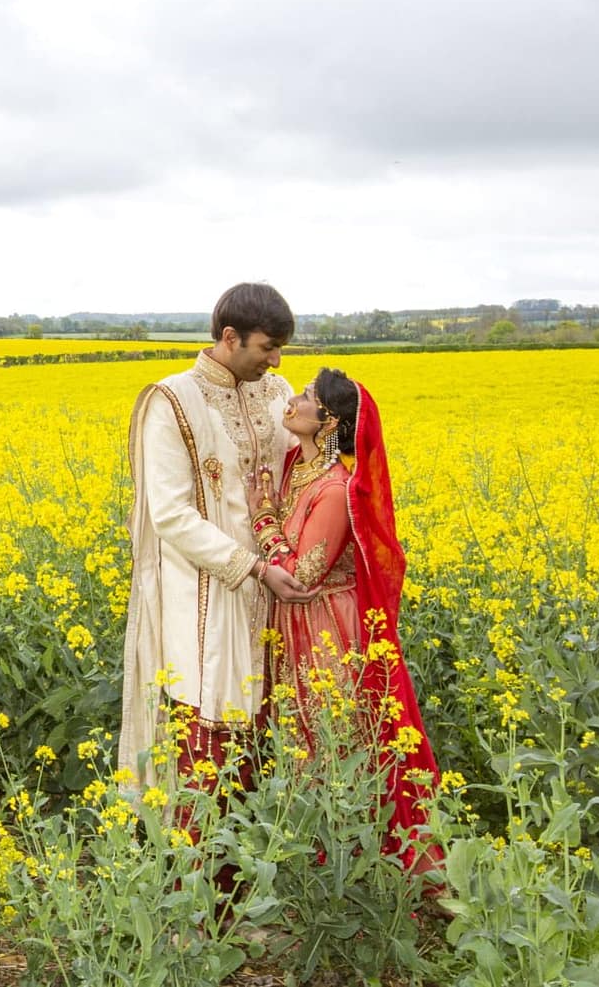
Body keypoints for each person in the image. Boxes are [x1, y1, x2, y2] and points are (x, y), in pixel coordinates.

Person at [119, 283, 320, 851]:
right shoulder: (171, 401)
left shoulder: (275, 390)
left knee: (268, 736)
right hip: (207, 595)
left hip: (277, 593)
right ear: (228, 338)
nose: (277, 361)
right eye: (267, 347)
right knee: (207, 735)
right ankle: (198, 903)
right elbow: (170, 513)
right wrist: (251, 568)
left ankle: (255, 889)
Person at [244, 367, 444, 874]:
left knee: (332, 739)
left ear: (328, 420)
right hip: (296, 625)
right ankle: (312, 863)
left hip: (328, 626)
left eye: (307, 396)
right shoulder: (297, 467)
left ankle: (353, 866)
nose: (293, 398)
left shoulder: (334, 489)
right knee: (299, 739)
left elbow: (300, 574)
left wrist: (262, 514)